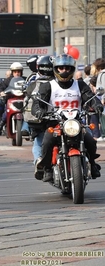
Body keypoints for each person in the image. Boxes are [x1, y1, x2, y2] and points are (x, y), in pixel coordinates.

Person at [34, 54, 103, 182]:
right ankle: (48, 169)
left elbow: (89, 97)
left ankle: (92, 164)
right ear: (56, 69)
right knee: (47, 141)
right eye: (61, 68)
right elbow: (38, 103)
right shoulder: (48, 86)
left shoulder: (80, 85)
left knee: (90, 140)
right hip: (55, 123)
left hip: (76, 123)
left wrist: (97, 105)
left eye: (67, 68)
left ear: (72, 69)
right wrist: (39, 111)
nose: (64, 71)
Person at [24, 55, 55, 180]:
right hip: (48, 118)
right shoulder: (55, 83)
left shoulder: (33, 81)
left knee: (38, 141)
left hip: (38, 118)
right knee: (43, 140)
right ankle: (43, 164)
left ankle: (38, 161)